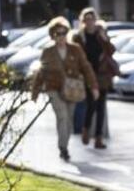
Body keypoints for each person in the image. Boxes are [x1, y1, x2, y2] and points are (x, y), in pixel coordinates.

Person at [30, 16, 97, 161]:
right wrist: (35, 91)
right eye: (57, 34)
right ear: (52, 36)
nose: (61, 37)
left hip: (72, 89)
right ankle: (63, 148)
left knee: (69, 120)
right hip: (54, 89)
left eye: (63, 33)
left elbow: (86, 67)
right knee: (62, 117)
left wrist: (94, 86)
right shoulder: (48, 52)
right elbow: (41, 72)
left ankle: (64, 145)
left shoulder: (75, 50)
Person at [73, 8, 117, 149]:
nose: (90, 22)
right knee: (91, 104)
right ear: (83, 21)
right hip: (87, 74)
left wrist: (105, 39)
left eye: (92, 19)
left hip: (102, 74)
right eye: (87, 19)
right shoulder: (79, 37)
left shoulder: (101, 34)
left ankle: (98, 138)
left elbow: (111, 51)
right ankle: (86, 129)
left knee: (101, 106)